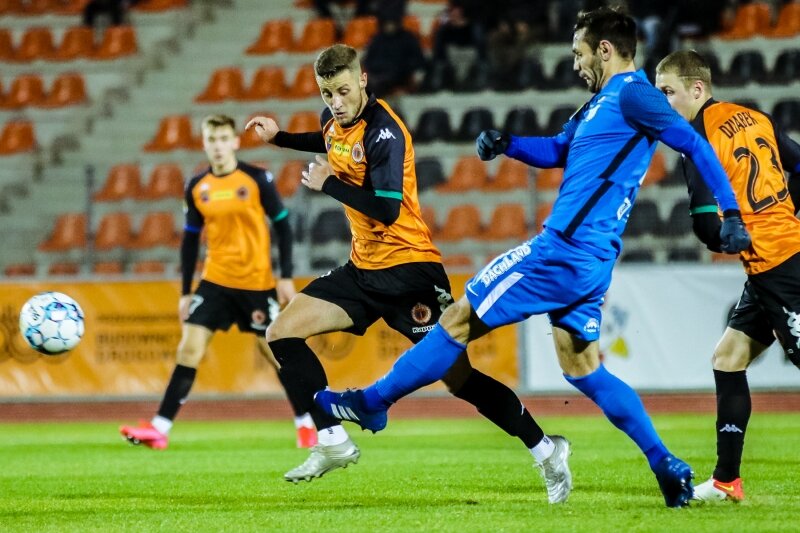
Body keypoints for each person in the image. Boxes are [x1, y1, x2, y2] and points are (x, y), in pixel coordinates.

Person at [314, 7, 753, 508]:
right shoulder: (599, 105)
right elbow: (559, 149)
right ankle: (665, 464)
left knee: (457, 318)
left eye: (579, 53)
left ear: (604, 50)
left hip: (562, 249)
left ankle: (372, 403)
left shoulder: (633, 93)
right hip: (589, 260)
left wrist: (730, 212)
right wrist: (509, 144)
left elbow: (694, 144)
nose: (575, 64)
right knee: (583, 369)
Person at [246, 44, 573, 504]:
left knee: (460, 380)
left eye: (343, 91)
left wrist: (329, 184)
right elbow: (330, 141)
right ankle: (333, 440)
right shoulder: (333, 121)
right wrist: (280, 138)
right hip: (363, 270)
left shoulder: (386, 131)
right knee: (281, 333)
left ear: (362, 80)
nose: (335, 102)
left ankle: (547, 451)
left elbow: (386, 209)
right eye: (326, 93)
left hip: (411, 272)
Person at [654, 50, 800, 503]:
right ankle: (725, 481)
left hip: (780, 265)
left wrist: (730, 237)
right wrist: (783, 212)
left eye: (668, 92)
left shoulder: (696, 137)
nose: (663, 103)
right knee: (728, 357)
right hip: (775, 259)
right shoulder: (754, 116)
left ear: (697, 89)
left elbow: (704, 225)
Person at [119, 114, 314, 450]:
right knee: (189, 348)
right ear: (204, 144)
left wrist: (285, 275)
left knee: (275, 354)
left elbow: (282, 226)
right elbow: (190, 240)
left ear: (235, 142)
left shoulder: (257, 179)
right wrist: (185, 292)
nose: (218, 146)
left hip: (255, 282)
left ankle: (306, 423)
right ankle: (160, 428)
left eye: (224, 139)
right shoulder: (197, 186)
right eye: (212, 140)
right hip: (215, 281)